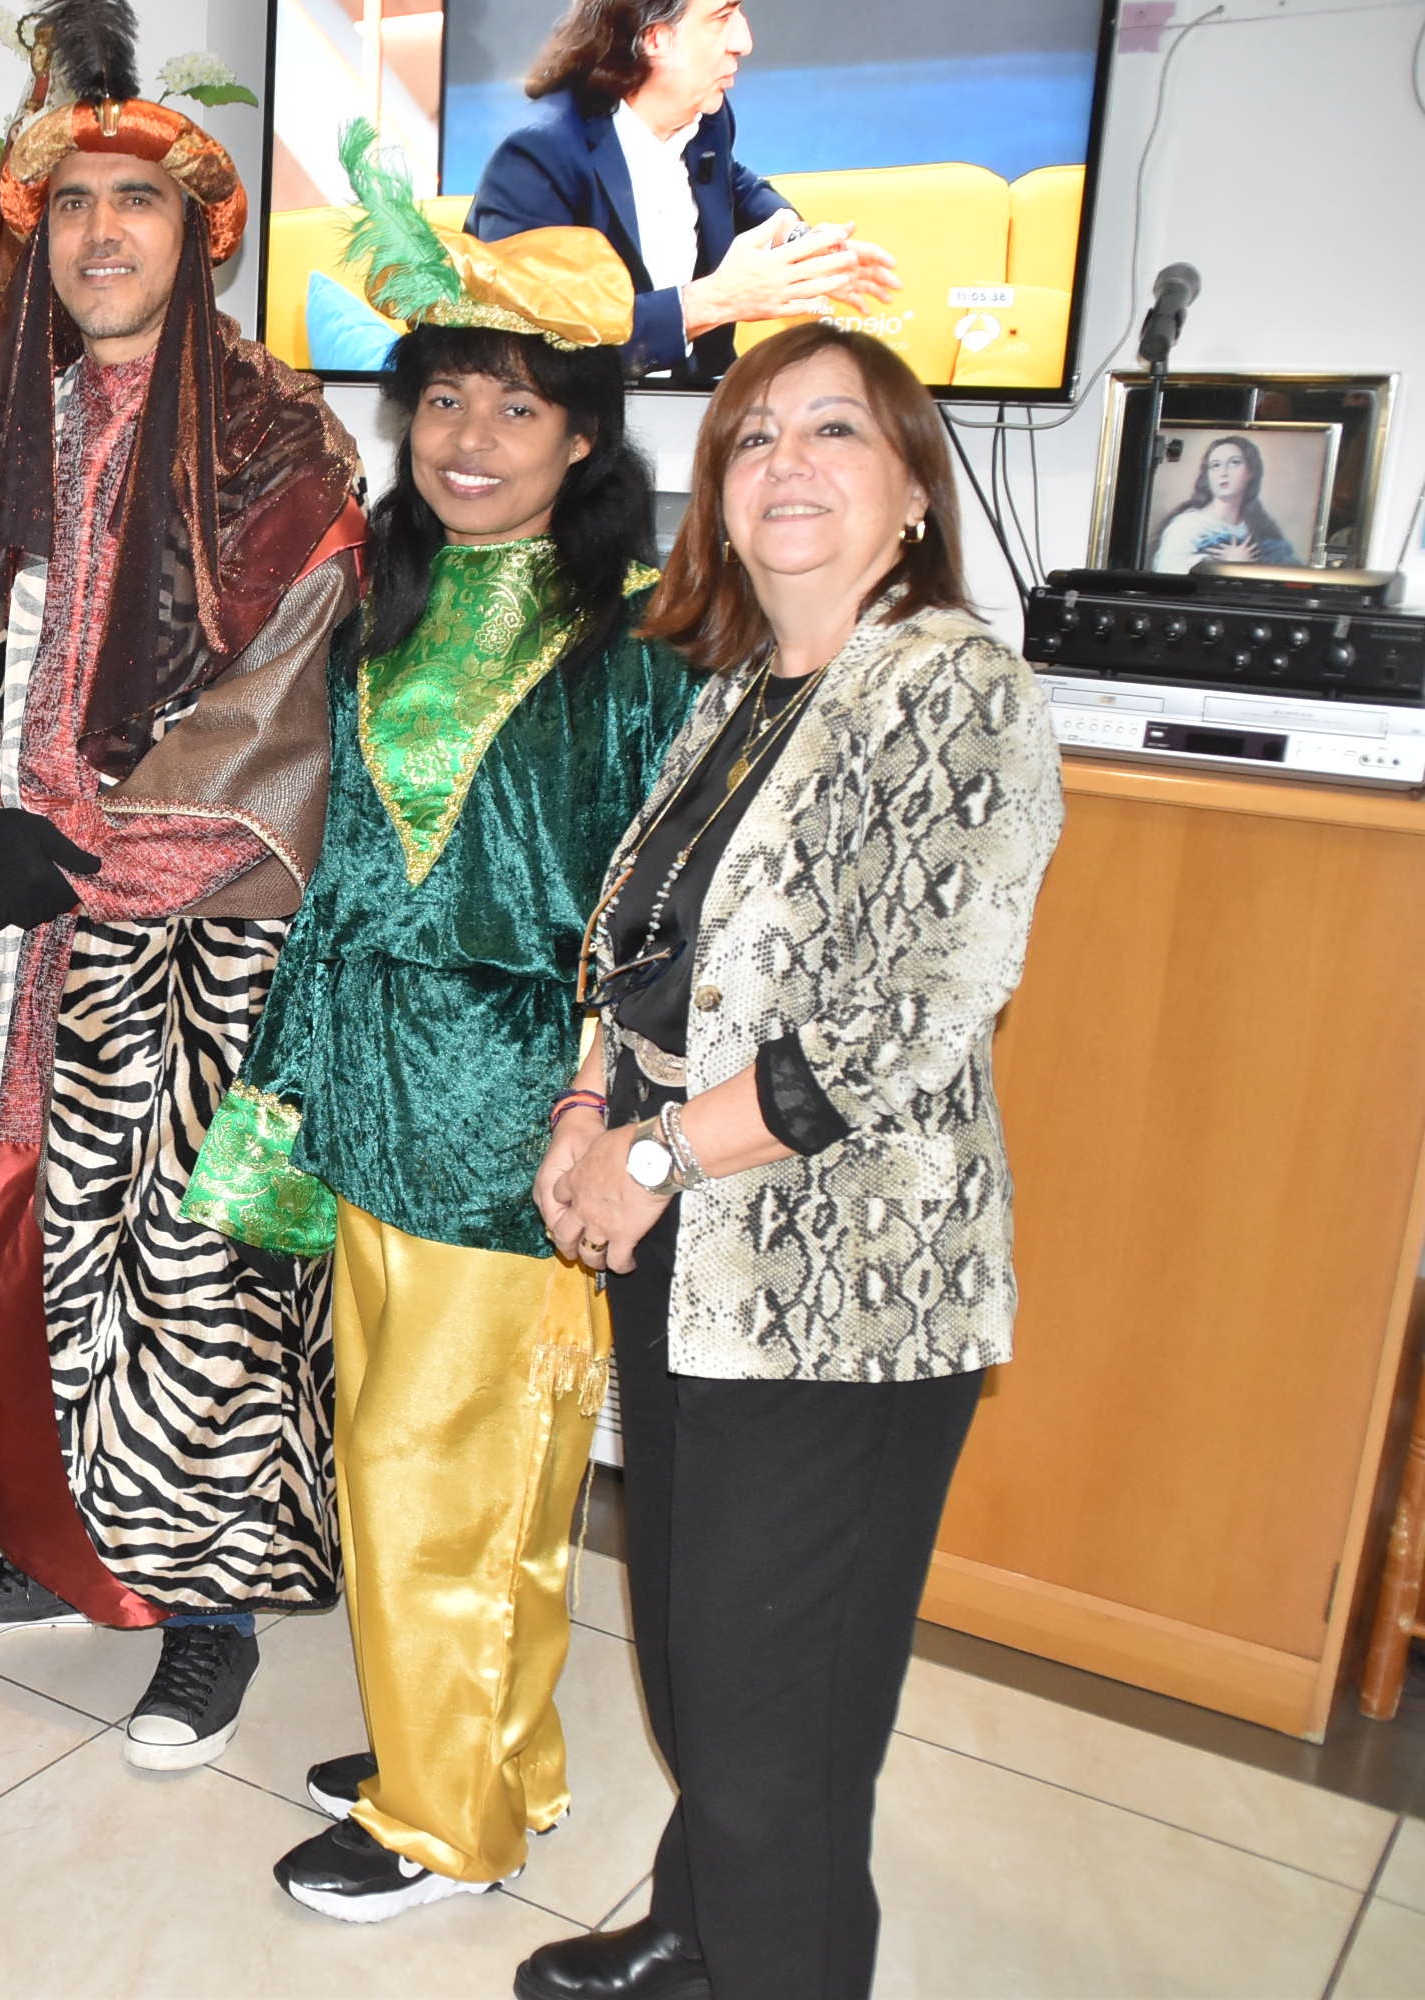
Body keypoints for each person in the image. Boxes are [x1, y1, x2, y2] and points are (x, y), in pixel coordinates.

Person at [185, 124, 700, 1923]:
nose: (467, 444)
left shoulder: (637, 638)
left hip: (512, 1124)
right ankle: (481, 1752)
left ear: (579, 437)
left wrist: (598, 1112)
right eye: (442, 405)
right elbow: (345, 885)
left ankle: (441, 1824)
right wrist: (283, 1097)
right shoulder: (385, 605)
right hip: (374, 1098)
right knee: (415, 1460)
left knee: (448, 1477)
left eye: (512, 409)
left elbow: (655, 924)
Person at [516, 324, 1063, 2000]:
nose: (784, 466)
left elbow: (899, 1021)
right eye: (750, 439)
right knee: (699, 1658)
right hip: (696, 1256)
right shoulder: (743, 688)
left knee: (780, 1723)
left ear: (909, 494)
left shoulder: (953, 685)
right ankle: (698, 1934)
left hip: (843, 1283)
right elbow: (643, 949)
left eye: (833, 431)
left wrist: (659, 1156)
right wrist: (578, 1116)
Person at [0, 0, 366, 1771]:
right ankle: (52, 1552)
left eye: (132, 209)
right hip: (17, 921)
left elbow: (284, 688)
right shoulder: (2, 434)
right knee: (15, 1243)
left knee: (193, 1270)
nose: (98, 236)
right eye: (70, 207)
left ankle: (202, 1614)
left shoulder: (275, 440)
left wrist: (90, 855)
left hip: (189, 931)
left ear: (194, 233)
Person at [467, 0, 898, 383]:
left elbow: (730, 181)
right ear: (656, 39)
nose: (743, 41)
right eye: (722, 16)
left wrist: (800, 242)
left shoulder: (705, 117)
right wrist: (711, 303)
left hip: (696, 405)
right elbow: (528, 350)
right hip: (587, 438)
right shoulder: (538, 156)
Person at [1151, 434, 1299, 570]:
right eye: (1216, 465)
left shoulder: (1260, 528)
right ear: (1207, 476)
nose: (1224, 473)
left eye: (1234, 463)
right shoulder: (1187, 526)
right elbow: (1167, 571)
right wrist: (1227, 564)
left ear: (1251, 472)